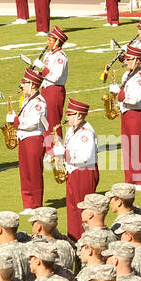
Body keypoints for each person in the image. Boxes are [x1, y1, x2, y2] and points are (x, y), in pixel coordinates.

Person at [56, 99, 99, 242]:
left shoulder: (86, 133)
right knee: (72, 210)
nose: (66, 117)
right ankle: (74, 239)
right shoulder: (71, 130)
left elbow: (85, 156)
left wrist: (64, 153)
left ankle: (84, 241)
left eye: (69, 114)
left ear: (79, 115)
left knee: (82, 210)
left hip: (83, 173)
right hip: (74, 172)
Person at [11, 68, 49, 210]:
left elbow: (33, 121)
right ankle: (28, 204)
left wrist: (16, 121)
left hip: (33, 138)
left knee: (34, 173)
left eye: (24, 83)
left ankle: (36, 204)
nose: (22, 86)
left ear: (33, 84)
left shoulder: (39, 102)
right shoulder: (28, 100)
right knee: (25, 173)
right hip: (24, 138)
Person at [113, 46, 141, 186]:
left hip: (136, 114)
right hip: (126, 113)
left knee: (136, 147)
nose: (126, 61)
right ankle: (129, 179)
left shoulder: (140, 78)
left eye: (129, 59)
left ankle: (139, 180)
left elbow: (135, 99)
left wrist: (120, 95)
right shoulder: (126, 74)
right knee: (127, 147)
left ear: (137, 61)